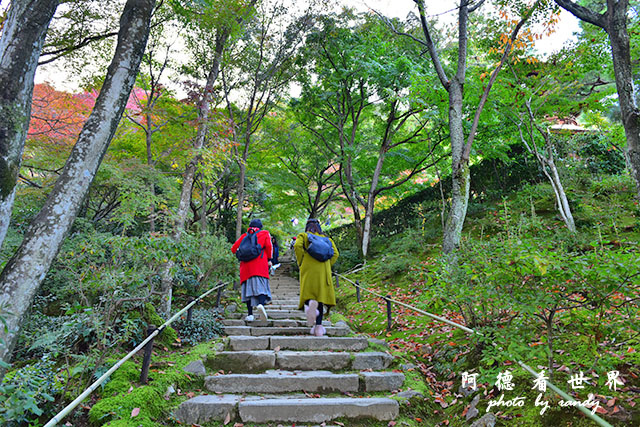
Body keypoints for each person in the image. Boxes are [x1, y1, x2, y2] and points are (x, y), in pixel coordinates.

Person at [294, 218, 339, 337]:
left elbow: (297, 246)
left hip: (308, 268)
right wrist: (327, 265)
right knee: (320, 296)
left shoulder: (303, 236)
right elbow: (335, 253)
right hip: (323, 270)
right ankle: (318, 328)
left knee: (309, 292)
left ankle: (310, 309)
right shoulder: (327, 239)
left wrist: (301, 261)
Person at [231, 219, 273, 322]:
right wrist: (270, 259)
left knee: (247, 291)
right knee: (261, 287)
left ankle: (250, 315)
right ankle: (261, 305)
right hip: (260, 266)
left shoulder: (244, 236)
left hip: (245, 269)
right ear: (260, 227)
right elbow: (268, 247)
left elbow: (233, 249)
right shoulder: (264, 233)